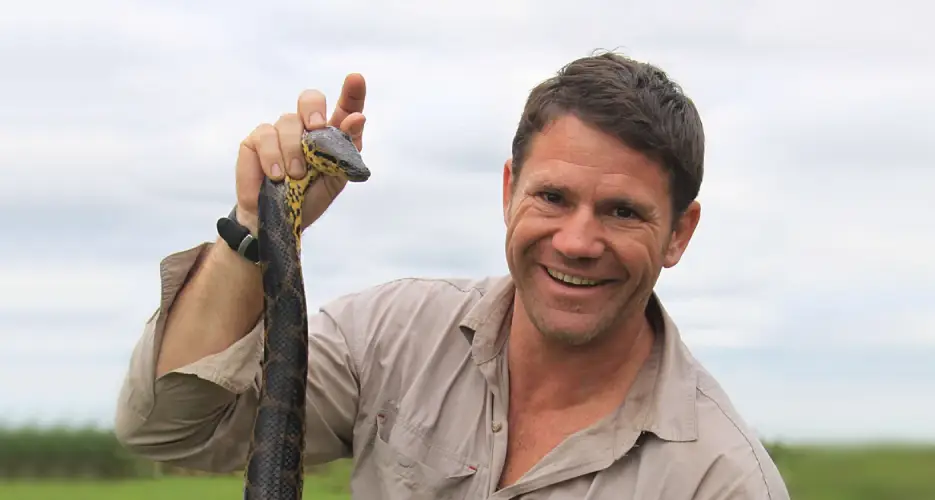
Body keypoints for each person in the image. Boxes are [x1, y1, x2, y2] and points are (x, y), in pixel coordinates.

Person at [114, 51, 790, 499]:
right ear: (507, 190)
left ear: (679, 233)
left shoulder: (719, 480)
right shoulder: (392, 336)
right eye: (552, 198)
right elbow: (173, 431)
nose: (578, 242)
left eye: (622, 212)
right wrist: (257, 231)